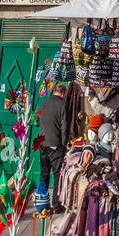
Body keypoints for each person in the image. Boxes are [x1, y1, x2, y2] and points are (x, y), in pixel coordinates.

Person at [37, 83, 68, 213]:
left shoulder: (42, 105)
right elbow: (64, 127)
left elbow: (37, 121)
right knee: (57, 176)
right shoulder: (62, 105)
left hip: (42, 145)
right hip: (56, 145)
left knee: (44, 174)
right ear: (63, 93)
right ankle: (56, 205)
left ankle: (41, 203)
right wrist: (65, 143)